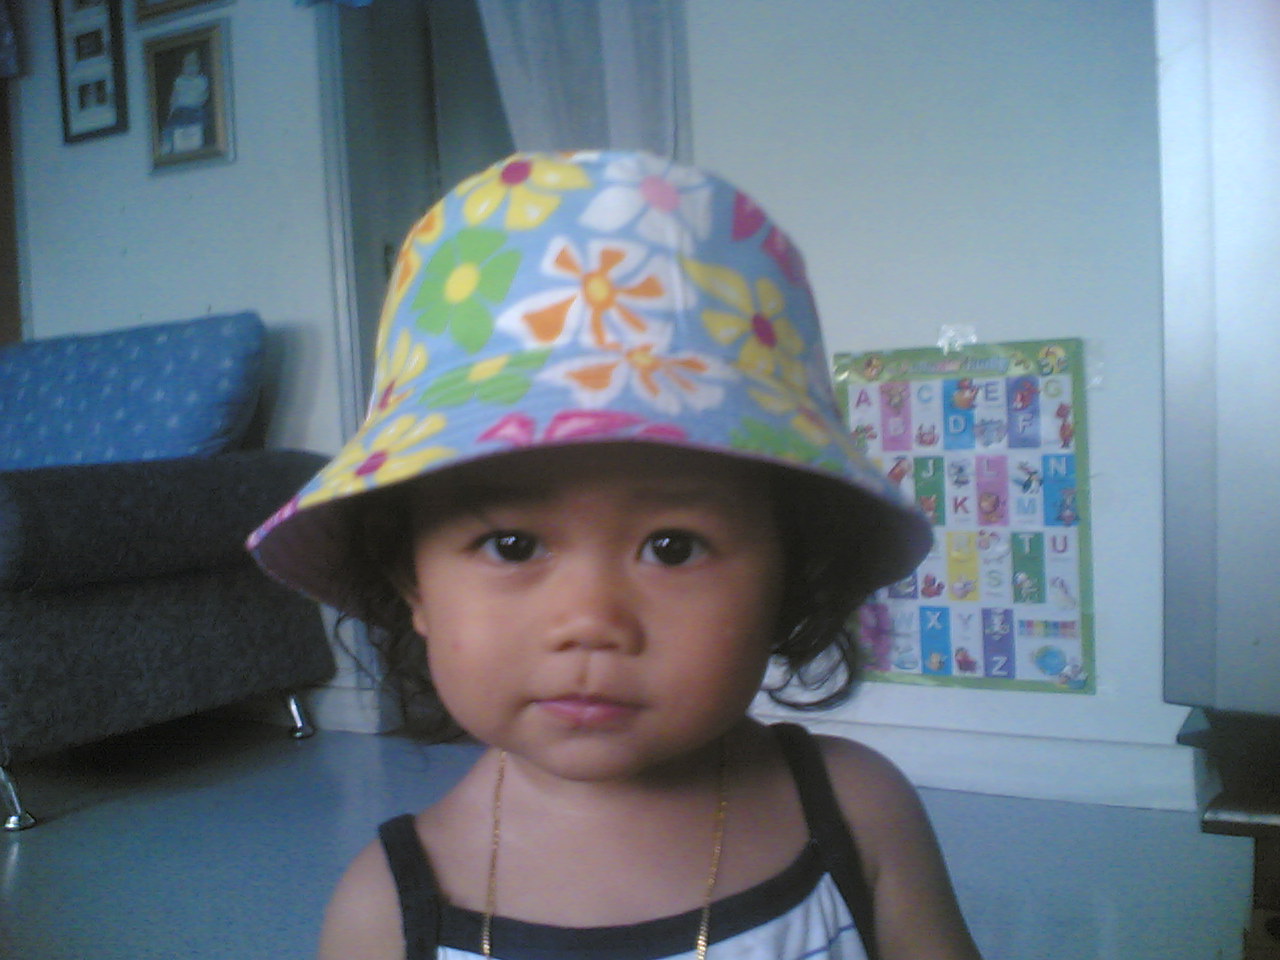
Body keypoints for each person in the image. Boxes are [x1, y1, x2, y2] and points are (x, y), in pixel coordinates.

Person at [249, 150, 983, 960]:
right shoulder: (387, 916)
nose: (590, 621)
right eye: (512, 545)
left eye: (673, 547)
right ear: (413, 581)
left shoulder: (859, 814)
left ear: (789, 569)